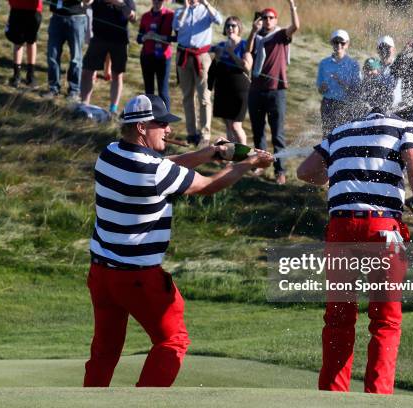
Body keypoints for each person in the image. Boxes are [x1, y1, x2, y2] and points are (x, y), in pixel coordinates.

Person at [83, 94, 273, 387]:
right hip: (137, 277)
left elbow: (166, 163)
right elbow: (208, 186)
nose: (169, 130)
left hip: (100, 274)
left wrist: (211, 153)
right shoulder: (155, 171)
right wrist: (247, 163)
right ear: (142, 127)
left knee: (105, 351)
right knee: (173, 340)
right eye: (162, 124)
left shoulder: (109, 153)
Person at [297, 108, 413, 394]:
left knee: (338, 317)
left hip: (340, 229)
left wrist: (337, 173)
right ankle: (378, 397)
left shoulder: (340, 130)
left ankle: (332, 397)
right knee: (385, 319)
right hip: (383, 229)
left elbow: (305, 172)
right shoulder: (403, 126)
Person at [246, 0, 299, 185]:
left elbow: (296, 26)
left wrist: (292, 6)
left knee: (277, 133)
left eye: (271, 18)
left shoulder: (281, 36)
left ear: (276, 20)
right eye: (265, 18)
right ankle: (261, 164)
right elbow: (247, 51)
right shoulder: (257, 37)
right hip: (255, 90)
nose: (267, 20)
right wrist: (253, 31)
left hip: (276, 92)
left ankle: (280, 170)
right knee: (258, 131)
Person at [173, 0, 223, 147]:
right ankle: (191, 133)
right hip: (183, 55)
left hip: (201, 56)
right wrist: (185, 9)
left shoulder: (206, 10)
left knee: (204, 97)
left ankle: (205, 134)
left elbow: (219, 20)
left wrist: (206, 4)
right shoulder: (179, 11)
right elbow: (176, 26)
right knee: (187, 96)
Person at [81, 0, 136, 114]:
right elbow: (86, 2)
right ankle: (84, 105)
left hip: (119, 41)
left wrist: (120, 4)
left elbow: (132, 17)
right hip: (98, 38)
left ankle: (113, 109)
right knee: (87, 71)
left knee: (117, 75)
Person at [211, 16, 252, 145]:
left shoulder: (245, 44)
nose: (230, 28)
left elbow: (247, 67)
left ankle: (244, 154)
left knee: (236, 125)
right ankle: (232, 153)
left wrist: (231, 53)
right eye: (228, 25)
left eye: (233, 25)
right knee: (228, 125)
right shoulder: (221, 45)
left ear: (239, 28)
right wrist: (216, 56)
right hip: (223, 87)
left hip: (239, 88)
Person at [316, 29, 360, 135]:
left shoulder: (353, 64)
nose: (339, 45)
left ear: (347, 44)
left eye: (342, 43)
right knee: (327, 135)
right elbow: (320, 90)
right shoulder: (324, 63)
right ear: (332, 43)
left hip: (345, 105)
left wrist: (340, 81)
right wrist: (322, 88)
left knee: (343, 135)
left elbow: (355, 91)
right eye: (336, 42)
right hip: (327, 103)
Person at [45, 0, 90, 100]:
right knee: (52, 56)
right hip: (56, 17)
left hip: (77, 18)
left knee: (76, 58)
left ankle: (74, 90)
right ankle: (53, 88)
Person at [137, 0, 175, 111]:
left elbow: (177, 38)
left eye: (160, 0)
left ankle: (165, 122)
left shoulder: (170, 15)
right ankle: (150, 119)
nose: (157, 2)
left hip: (163, 58)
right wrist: (145, 37)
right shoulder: (145, 16)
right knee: (149, 90)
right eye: (155, 0)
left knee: (163, 91)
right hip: (147, 56)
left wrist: (160, 37)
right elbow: (139, 39)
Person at [6, 0, 43, 88]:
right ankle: (16, 75)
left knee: (31, 41)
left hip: (33, 9)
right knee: (18, 41)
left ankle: (30, 75)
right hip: (17, 7)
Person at [377, 35, 401, 111]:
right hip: (380, 111)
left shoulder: (399, 65)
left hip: (398, 110)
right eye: (381, 47)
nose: (384, 50)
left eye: (387, 47)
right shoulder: (374, 68)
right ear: (378, 50)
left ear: (393, 49)